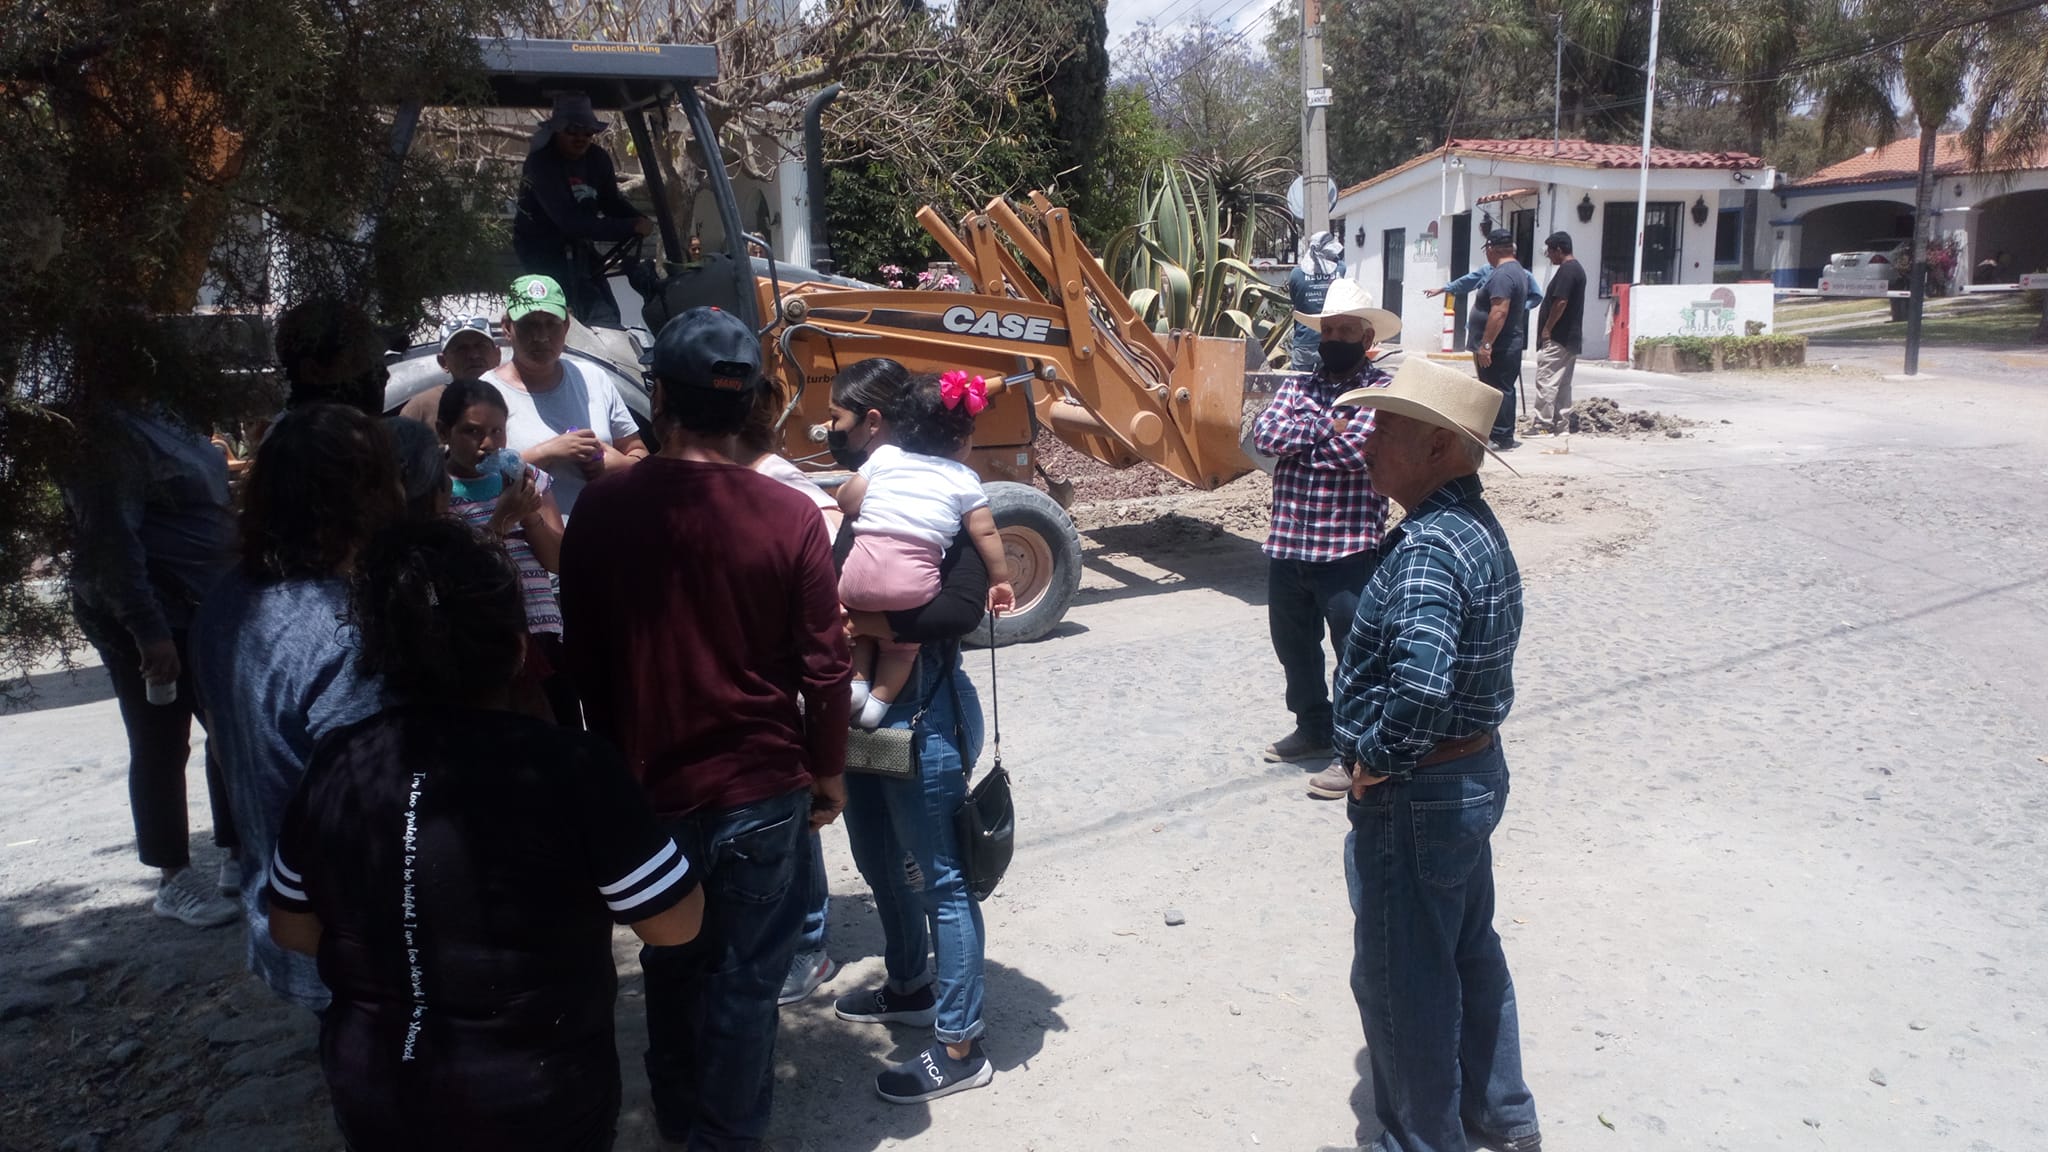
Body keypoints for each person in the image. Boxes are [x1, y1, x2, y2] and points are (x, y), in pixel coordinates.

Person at [265, 519, 704, 1152]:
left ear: (379, 653)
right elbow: (674, 925)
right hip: (534, 1095)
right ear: (520, 646)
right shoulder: (571, 766)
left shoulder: (340, 760)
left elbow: (293, 929)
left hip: (375, 1086)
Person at [559, 306, 850, 1149]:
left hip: (649, 795)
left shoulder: (603, 512)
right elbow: (824, 666)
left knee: (672, 967)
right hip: (763, 791)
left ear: (660, 398)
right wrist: (828, 771)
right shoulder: (787, 514)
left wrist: (609, 780)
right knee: (745, 987)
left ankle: (682, 1122)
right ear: (750, 403)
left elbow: (588, 660)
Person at [1328, 355, 1540, 1152]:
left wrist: (1375, 759)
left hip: (1419, 791)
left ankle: (1424, 1139)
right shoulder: (1467, 526)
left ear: (1441, 448)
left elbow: (1420, 687)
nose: (1368, 438)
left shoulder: (1424, 550)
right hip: (1469, 777)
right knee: (1468, 950)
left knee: (1402, 981)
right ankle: (1503, 1114)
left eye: (1388, 425)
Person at [821, 357, 1000, 1105]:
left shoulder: (951, 504)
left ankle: (960, 1044)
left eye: (842, 420)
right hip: (862, 714)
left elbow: (959, 611)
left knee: (943, 880)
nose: (834, 433)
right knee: (876, 859)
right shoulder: (882, 495)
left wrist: (868, 620)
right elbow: (833, 579)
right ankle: (908, 983)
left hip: (921, 715)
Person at [192, 404, 398, 1010]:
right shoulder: (346, 633)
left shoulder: (227, 601)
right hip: (356, 942)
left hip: (283, 914)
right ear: (364, 494)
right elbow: (377, 810)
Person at [59, 399, 240, 927]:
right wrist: (148, 629)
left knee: (228, 731)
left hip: (204, 609)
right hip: (154, 616)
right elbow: (111, 540)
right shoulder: (105, 434)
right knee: (161, 743)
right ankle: (173, 878)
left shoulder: (168, 413)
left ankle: (236, 850)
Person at [1249, 279, 1398, 799]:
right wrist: (1324, 428)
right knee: (1295, 650)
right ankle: (1313, 727)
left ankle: (1353, 750)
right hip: (1288, 546)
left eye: (1344, 330)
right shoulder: (1297, 384)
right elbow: (1262, 437)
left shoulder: (1380, 389)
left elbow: (1357, 453)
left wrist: (1308, 438)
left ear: (1366, 335)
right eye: (1327, 329)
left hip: (1348, 550)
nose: (1333, 337)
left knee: (1356, 655)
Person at [731, 387, 845, 1008]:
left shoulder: (786, 489)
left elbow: (834, 569)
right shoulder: (730, 482)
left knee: (801, 822)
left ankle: (809, 943)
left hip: (789, 685)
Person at [835, 369, 1012, 728]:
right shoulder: (962, 479)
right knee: (901, 649)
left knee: (863, 631)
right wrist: (1000, 579)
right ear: (962, 440)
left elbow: (848, 501)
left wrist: (857, 503)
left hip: (854, 582)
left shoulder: (884, 460)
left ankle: (855, 685)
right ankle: (876, 708)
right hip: (910, 589)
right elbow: (986, 532)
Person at [436, 378, 574, 726]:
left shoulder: (526, 478)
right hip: (483, 646)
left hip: (541, 634)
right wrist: (499, 522)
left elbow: (558, 560)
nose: (488, 444)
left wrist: (528, 516)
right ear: (444, 431)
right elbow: (449, 573)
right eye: (472, 431)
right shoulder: (437, 491)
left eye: (498, 431)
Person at [488, 274, 646, 518]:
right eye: (529, 324)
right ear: (507, 327)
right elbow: (474, 478)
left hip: (606, 538)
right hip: (526, 548)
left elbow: (637, 451)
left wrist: (618, 465)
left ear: (566, 326)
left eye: (550, 323)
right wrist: (546, 453)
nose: (541, 336)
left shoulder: (594, 379)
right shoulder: (485, 393)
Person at [513, 93, 654, 328]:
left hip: (579, 253)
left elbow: (610, 202)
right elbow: (569, 221)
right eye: (572, 131)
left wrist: (637, 218)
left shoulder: (598, 160)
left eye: (587, 132)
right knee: (585, 319)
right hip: (543, 256)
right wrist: (629, 226)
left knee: (608, 316)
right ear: (557, 130)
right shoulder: (541, 165)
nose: (581, 138)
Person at [273, 297, 389, 416]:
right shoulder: (301, 432)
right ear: (313, 371)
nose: (385, 375)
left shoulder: (288, 428)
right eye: (359, 362)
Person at [1469, 228, 1530, 451]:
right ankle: (1499, 433)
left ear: (1491, 249)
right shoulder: (1517, 270)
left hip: (1500, 345)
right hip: (1506, 342)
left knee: (1497, 389)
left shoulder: (1503, 274)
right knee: (1499, 388)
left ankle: (1501, 436)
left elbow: (1499, 312)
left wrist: (1486, 344)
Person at [395, 316, 503, 424]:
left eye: (481, 346)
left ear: (497, 354)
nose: (473, 355)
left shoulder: (516, 395)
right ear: (443, 362)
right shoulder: (421, 409)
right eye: (461, 349)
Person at [1532, 231, 1586, 436]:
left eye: (1550, 251)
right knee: (1563, 383)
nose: (1548, 256)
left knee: (1547, 380)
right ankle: (1561, 424)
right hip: (1570, 338)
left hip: (1558, 337)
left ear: (1559, 250)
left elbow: (1561, 301)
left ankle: (1543, 423)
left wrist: (1548, 328)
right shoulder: (1576, 269)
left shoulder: (1567, 271)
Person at [1289, 231, 1347, 371]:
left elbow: (1295, 299)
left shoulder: (1296, 274)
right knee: (1329, 386)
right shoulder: (1340, 269)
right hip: (1331, 339)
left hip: (1304, 340)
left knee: (1300, 387)